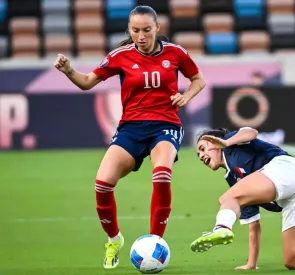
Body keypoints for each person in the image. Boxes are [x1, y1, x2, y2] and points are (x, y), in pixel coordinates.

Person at [52, 5, 206, 269]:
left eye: (147, 30)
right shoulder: (120, 56)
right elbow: (88, 81)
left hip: (165, 125)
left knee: (161, 174)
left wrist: (186, 96)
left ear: (157, 28)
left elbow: (198, 79)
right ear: (129, 30)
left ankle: (155, 243)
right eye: (135, 30)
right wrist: (68, 70)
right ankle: (114, 240)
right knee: (102, 184)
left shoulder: (176, 53)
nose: (141, 36)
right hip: (131, 128)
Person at [190, 127, 295, 270]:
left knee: (226, 199)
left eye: (203, 148)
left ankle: (221, 228)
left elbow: (251, 131)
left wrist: (226, 142)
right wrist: (251, 263)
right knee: (293, 260)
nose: (201, 155)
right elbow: (253, 224)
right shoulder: (234, 180)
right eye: (198, 154)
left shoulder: (231, 143)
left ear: (216, 141)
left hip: (285, 169)